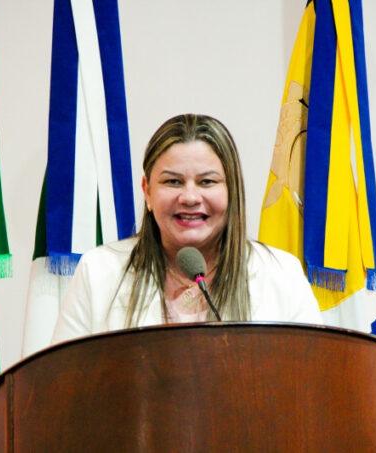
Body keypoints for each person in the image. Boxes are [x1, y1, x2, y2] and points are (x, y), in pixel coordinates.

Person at [52, 114, 322, 343]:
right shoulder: (98, 272)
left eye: (207, 182)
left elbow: (312, 379)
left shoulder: (281, 275)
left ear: (232, 191)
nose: (190, 198)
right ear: (147, 191)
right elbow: (63, 382)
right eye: (173, 182)